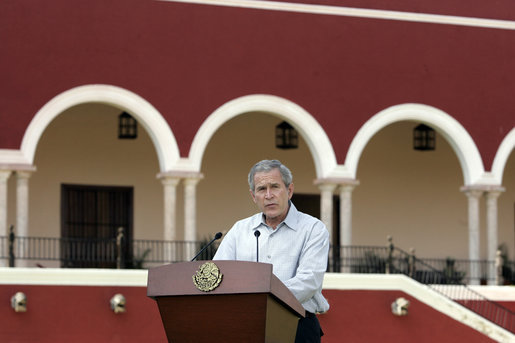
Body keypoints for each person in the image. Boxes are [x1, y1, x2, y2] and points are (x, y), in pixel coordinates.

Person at [213, 159, 329, 343]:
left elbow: (309, 281)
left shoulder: (313, 228)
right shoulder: (239, 230)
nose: (268, 195)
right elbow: (219, 272)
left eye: (275, 187)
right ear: (253, 196)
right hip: (245, 324)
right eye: (261, 189)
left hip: (296, 325)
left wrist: (262, 298)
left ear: (289, 190)